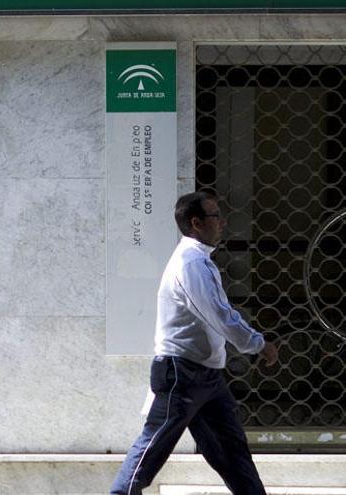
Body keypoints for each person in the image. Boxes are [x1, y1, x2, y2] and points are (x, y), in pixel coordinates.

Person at [110, 191, 279, 495]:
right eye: (216, 216)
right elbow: (219, 314)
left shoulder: (199, 259)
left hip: (207, 376)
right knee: (152, 448)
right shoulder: (191, 264)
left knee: (231, 450)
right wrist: (257, 344)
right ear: (197, 223)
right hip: (182, 375)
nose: (222, 222)